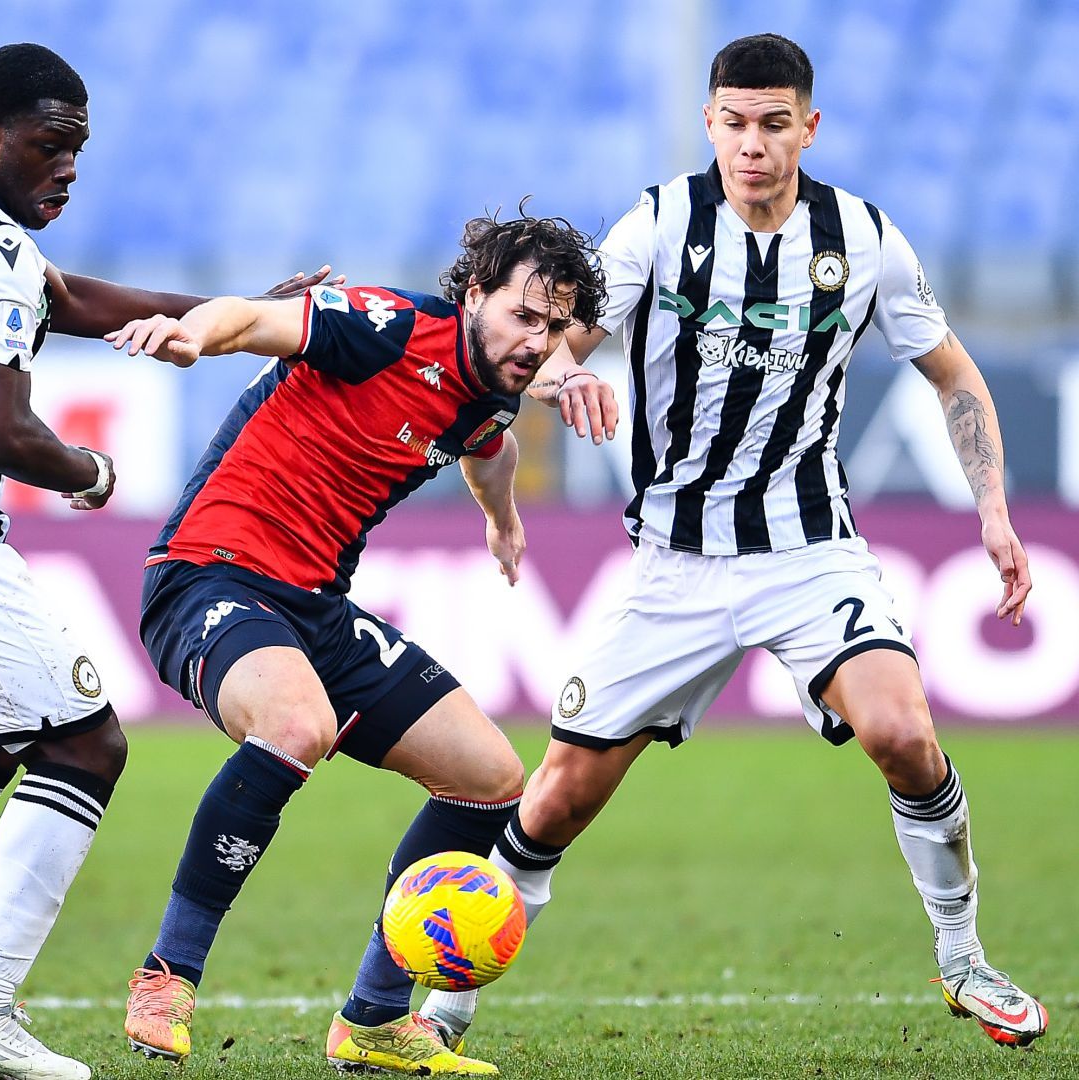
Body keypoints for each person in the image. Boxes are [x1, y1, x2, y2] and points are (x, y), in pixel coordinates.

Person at [439, 33, 1047, 1051]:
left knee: (904, 733)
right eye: (733, 123)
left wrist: (992, 506)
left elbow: (955, 375)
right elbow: (545, 348)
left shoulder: (864, 240)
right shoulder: (655, 229)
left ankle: (963, 958)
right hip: (672, 565)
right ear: (710, 122)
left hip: (810, 551)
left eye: (774, 124)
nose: (752, 145)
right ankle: (444, 1014)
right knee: (556, 800)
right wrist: (560, 376)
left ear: (809, 126)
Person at [0, 43, 334, 1080]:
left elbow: (68, 297)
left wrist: (227, 314)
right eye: (49, 146)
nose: (68, 168)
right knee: (86, 747)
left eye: (78, 149)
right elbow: (1, 432)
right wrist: (87, 470)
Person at [108, 212, 606, 1077]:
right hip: (207, 575)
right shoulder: (387, 326)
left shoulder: (489, 393)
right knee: (298, 725)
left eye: (556, 326)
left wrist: (504, 519)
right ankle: (168, 972)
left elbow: (486, 448)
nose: (540, 341)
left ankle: (373, 1020)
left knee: (490, 780)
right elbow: (252, 320)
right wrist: (192, 335)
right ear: (476, 295)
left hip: (315, 607)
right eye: (526, 316)